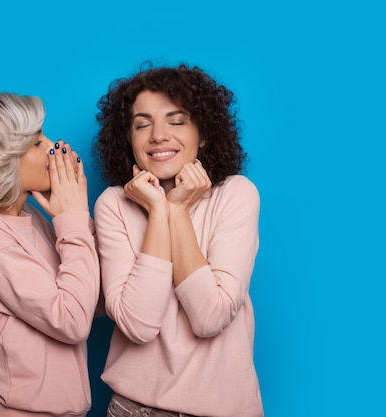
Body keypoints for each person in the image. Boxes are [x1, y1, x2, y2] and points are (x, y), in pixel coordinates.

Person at [92, 64, 264, 417]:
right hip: (133, 408)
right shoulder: (113, 204)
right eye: (142, 124)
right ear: (128, 138)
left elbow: (210, 317)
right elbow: (138, 324)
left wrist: (178, 210)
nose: (157, 135)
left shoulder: (235, 194)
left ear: (203, 134)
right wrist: (158, 212)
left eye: (176, 120)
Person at [0, 92, 101, 417]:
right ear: (0, 158)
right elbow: (71, 321)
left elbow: (91, 302)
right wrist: (72, 219)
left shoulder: (34, 218)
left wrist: (78, 221)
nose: (54, 147)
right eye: (36, 143)